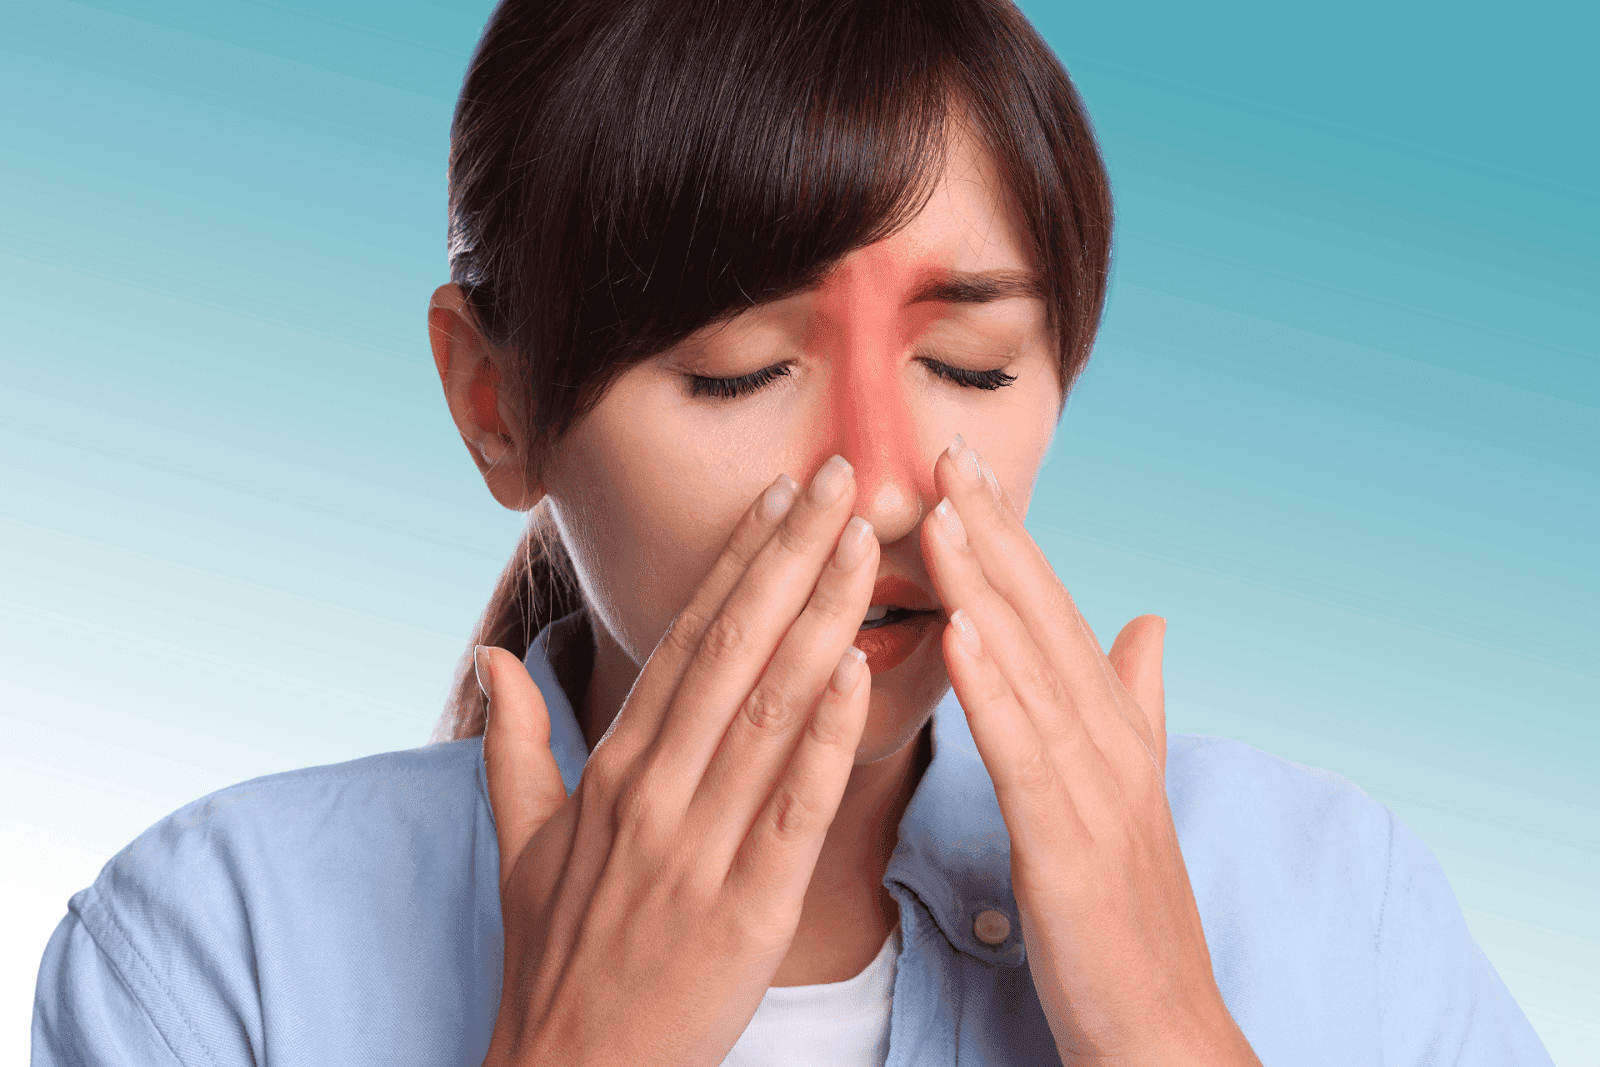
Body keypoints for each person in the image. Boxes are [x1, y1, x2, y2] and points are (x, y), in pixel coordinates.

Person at [31, 0, 1554, 1064]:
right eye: (737, 373)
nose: (884, 480)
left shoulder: (1333, 902)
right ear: (497, 404)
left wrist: (1165, 1028)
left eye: (970, 366)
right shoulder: (210, 954)